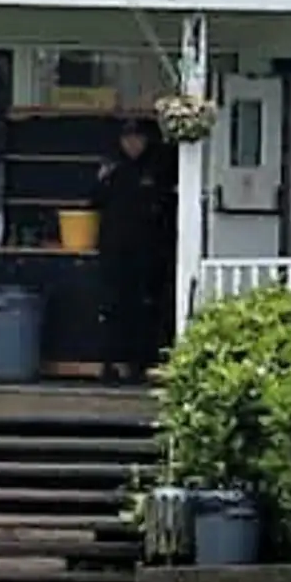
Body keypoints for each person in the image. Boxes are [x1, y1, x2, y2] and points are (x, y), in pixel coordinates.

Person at [92, 118, 167, 383]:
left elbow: (165, 205)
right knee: (112, 306)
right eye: (128, 139)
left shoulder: (157, 168)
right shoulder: (112, 168)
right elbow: (94, 200)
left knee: (144, 307)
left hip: (147, 250)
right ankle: (110, 363)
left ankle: (142, 362)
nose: (132, 144)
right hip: (114, 249)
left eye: (138, 139)